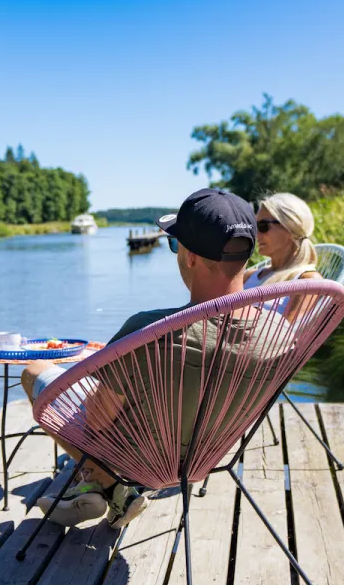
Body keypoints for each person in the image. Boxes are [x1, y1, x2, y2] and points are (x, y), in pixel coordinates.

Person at [19, 188, 281, 530]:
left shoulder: (151, 331)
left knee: (35, 370)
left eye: (176, 244)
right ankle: (109, 494)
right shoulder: (280, 332)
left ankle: (113, 486)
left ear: (189, 257)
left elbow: (96, 422)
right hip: (207, 457)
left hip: (138, 460)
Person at [242, 192, 323, 322]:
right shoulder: (249, 276)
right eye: (254, 226)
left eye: (262, 226)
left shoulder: (307, 281)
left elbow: (286, 335)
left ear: (291, 228)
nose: (256, 234)